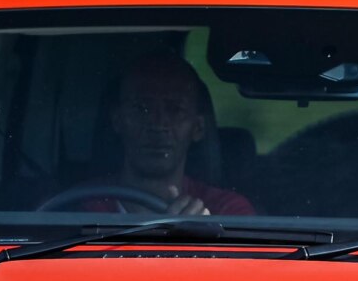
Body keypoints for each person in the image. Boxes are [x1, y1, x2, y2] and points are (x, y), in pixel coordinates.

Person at [71, 53, 254, 216]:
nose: (158, 124)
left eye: (175, 109)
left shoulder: (225, 212)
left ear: (197, 128)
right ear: (118, 120)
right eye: (142, 109)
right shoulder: (79, 207)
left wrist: (209, 240)